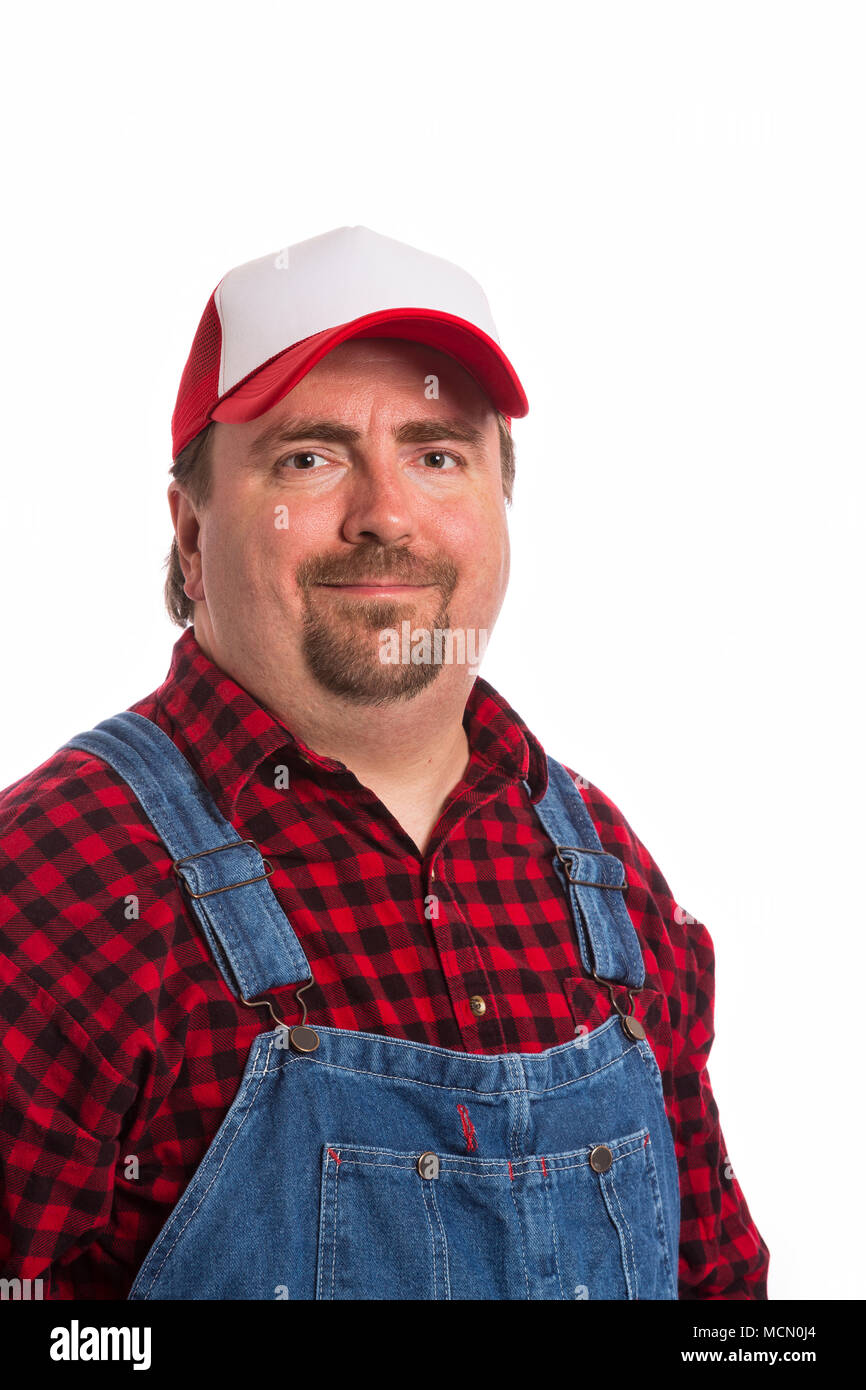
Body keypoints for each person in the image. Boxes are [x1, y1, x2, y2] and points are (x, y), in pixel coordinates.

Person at [0, 225, 769, 1300]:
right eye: (308, 457)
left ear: (500, 507)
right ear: (188, 533)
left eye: (437, 453)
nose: (385, 516)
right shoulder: (54, 885)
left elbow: (721, 1304)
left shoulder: (604, 874)